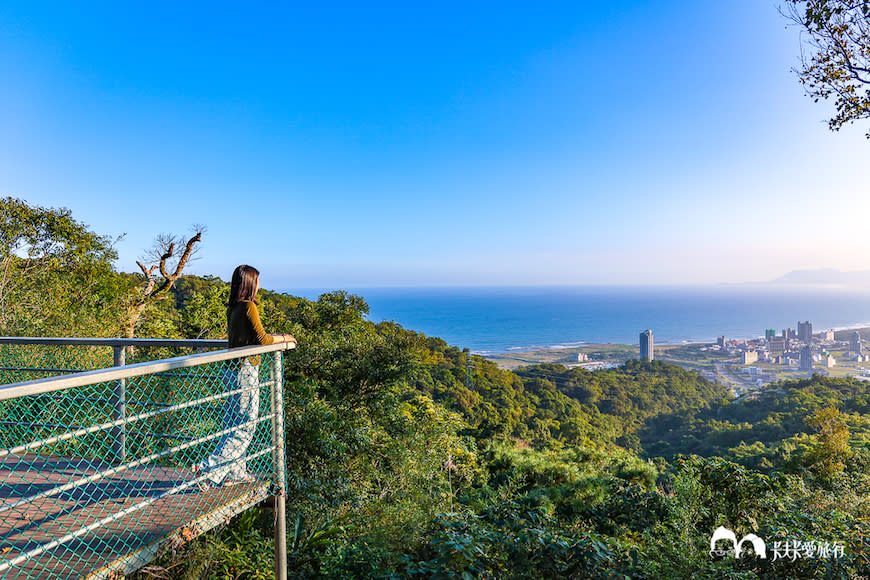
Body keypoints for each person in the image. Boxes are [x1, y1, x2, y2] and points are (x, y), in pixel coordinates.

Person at [194, 264, 295, 487]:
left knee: (233, 424)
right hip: (245, 370)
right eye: (257, 281)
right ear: (251, 283)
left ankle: (235, 474)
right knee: (246, 426)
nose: (259, 285)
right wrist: (284, 338)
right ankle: (208, 470)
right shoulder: (249, 306)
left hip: (230, 371)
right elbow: (263, 340)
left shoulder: (233, 307)